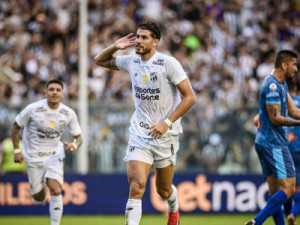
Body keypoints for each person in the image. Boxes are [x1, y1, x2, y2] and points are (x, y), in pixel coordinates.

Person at [94, 21, 197, 225]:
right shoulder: (131, 61)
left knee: (164, 190)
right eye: (137, 37)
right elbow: (99, 60)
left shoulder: (168, 63)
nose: (138, 41)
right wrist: (115, 46)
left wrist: (166, 123)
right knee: (136, 185)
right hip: (140, 134)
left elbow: (190, 97)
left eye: (144, 37)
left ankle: (173, 209)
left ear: (155, 42)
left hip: (166, 134)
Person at [12, 79, 82, 225]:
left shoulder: (68, 113)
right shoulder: (33, 109)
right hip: (34, 158)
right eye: (51, 90)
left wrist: (74, 145)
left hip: (54, 155)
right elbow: (15, 126)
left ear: (62, 94)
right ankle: (40, 186)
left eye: (58, 90)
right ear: (45, 92)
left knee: (56, 190)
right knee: (38, 199)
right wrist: (17, 150)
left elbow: (79, 137)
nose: (54, 92)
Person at [245, 49, 298, 225]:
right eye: (294, 64)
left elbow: (293, 110)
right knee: (289, 188)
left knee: (275, 192)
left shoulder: (281, 84)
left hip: (264, 142)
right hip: (274, 144)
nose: (296, 69)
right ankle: (257, 222)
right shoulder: (273, 85)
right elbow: (275, 119)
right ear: (284, 65)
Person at [283, 78, 300, 225]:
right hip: (299, 152)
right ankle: (293, 214)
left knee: (286, 188)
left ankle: (287, 212)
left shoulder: (283, 104)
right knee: (299, 188)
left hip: (284, 150)